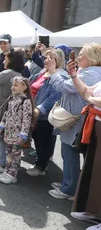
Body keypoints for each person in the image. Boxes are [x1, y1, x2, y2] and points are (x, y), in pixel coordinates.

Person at [47, 43, 101, 200]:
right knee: (69, 152)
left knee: (69, 153)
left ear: (91, 57)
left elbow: (66, 87)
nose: (77, 56)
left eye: (81, 53)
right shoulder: (90, 71)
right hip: (80, 118)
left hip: (76, 119)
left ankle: (69, 189)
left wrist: (53, 72)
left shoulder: (91, 73)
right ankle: (69, 183)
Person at [68, 57, 101, 229]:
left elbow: (90, 96)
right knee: (93, 169)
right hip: (96, 124)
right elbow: (86, 91)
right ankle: (93, 210)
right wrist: (74, 76)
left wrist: (91, 99)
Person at [0, 50, 25, 173]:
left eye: (5, 59)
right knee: (3, 139)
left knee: (0, 138)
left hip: (3, 111)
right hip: (10, 110)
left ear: (11, 61)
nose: (3, 61)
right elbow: (6, 88)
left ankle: (1, 163)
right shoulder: (17, 73)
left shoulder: (8, 73)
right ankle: (1, 161)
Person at [26, 49, 64, 177]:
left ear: (57, 61)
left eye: (50, 58)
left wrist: (39, 109)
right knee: (37, 138)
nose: (45, 60)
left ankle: (41, 167)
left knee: (44, 140)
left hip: (45, 114)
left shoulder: (60, 76)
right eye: (45, 57)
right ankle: (40, 163)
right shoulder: (43, 72)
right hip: (35, 111)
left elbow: (54, 97)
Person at [0, 77, 33, 184]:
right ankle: (7, 170)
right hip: (9, 131)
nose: (13, 87)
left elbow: (27, 119)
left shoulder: (25, 101)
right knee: (9, 152)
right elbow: (6, 113)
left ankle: (13, 174)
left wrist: (23, 134)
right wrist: (2, 125)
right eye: (13, 85)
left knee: (16, 153)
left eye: (16, 85)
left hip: (18, 133)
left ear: (24, 87)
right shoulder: (12, 99)